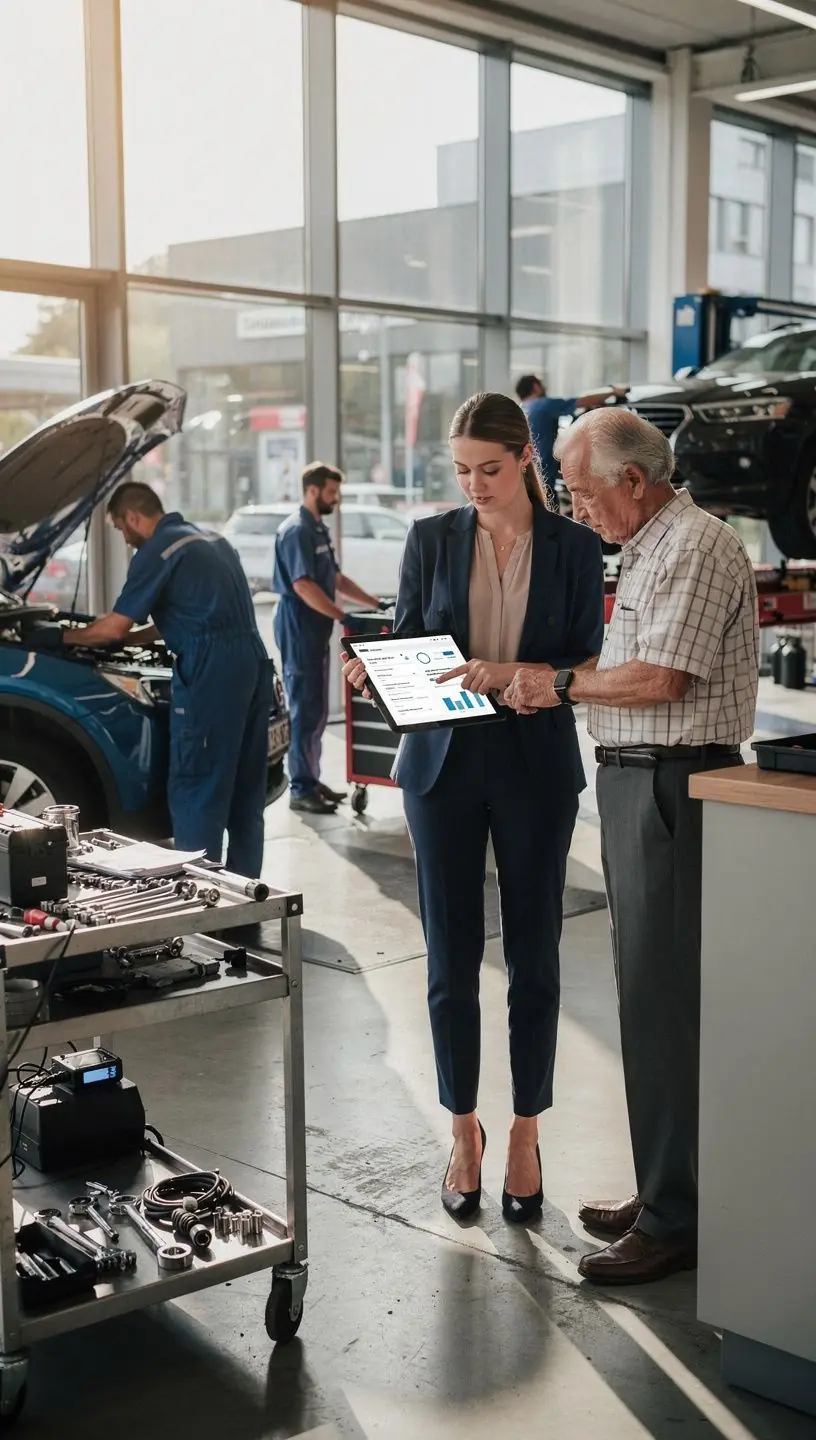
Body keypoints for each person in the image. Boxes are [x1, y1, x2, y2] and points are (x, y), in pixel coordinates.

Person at [505, 408, 759, 1283]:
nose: (576, 510)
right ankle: (666, 1190)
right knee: (647, 997)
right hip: (635, 781)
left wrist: (559, 683)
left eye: (582, 493)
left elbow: (660, 679)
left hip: (671, 784)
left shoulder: (694, 545)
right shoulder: (649, 546)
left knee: (664, 1003)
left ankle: (677, 1218)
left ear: (635, 481)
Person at [343, 393, 604, 1222]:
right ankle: (463, 1130)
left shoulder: (574, 547)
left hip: (535, 763)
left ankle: (526, 1130)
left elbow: (584, 659)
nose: (475, 484)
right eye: (461, 471)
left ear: (525, 457)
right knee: (449, 960)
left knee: (535, 956)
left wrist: (522, 677)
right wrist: (376, 669)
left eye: (488, 468)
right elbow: (409, 636)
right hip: (444, 767)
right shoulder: (430, 539)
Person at [62, 482, 274, 877]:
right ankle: (246, 891)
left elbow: (114, 627)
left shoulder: (157, 550)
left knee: (198, 787)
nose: (125, 539)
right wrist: (132, 639)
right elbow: (184, 616)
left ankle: (199, 895)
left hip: (212, 672)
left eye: (121, 529)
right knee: (245, 792)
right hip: (253, 661)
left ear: (132, 517)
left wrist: (63, 638)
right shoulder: (211, 540)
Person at [273, 462, 382, 816]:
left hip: (315, 627)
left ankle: (311, 778)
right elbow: (303, 585)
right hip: (298, 626)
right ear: (313, 490)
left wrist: (375, 603)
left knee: (317, 709)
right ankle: (300, 788)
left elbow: (335, 579)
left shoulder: (317, 528)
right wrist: (341, 616)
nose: (336, 499)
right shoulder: (296, 530)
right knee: (304, 709)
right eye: (332, 492)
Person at [515, 375, 626, 498]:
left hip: (526, 477)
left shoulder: (521, 409)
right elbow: (582, 401)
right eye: (542, 384)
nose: (545, 387)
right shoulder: (543, 405)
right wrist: (613, 391)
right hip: (544, 480)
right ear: (536, 387)